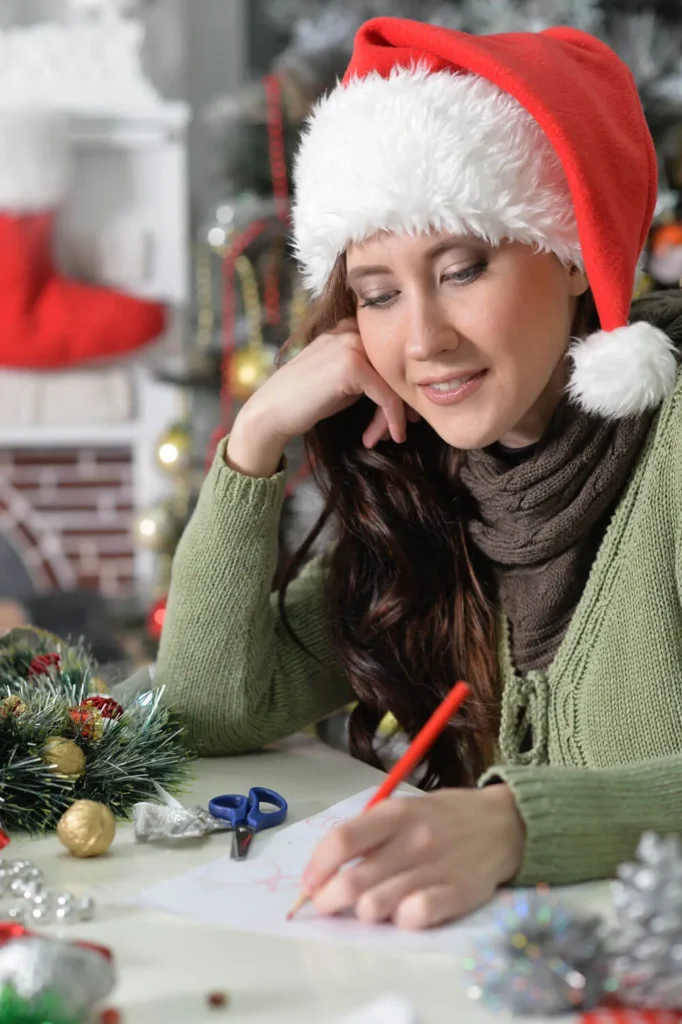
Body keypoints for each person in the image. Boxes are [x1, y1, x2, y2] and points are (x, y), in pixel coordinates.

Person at [157, 17, 682, 931]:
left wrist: (516, 826)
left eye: (463, 268)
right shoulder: (431, 484)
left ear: (569, 255)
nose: (422, 340)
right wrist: (255, 437)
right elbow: (210, 708)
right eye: (379, 294)